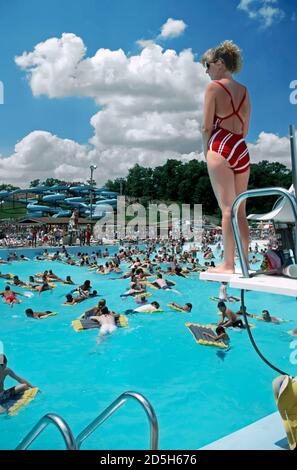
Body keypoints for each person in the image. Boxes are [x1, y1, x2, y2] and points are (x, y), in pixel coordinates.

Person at [201, 40, 250, 274]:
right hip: (241, 146)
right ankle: (246, 263)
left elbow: (206, 127)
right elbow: (246, 129)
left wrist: (206, 151)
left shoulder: (214, 88)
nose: (207, 71)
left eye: (208, 66)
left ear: (219, 63)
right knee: (241, 210)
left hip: (221, 144)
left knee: (227, 209)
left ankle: (228, 264)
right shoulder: (244, 91)